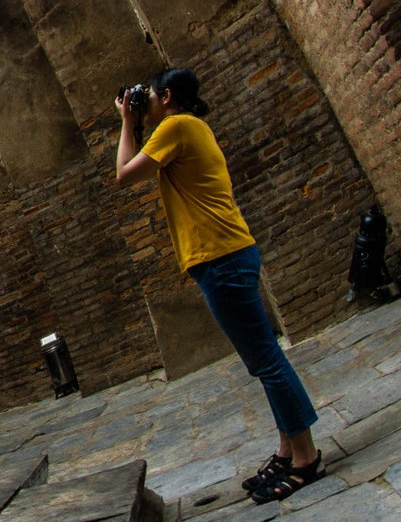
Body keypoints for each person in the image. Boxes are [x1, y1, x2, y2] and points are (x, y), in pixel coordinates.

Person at [113, 67, 323, 504]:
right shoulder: (190, 126)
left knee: (266, 359)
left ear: (167, 97)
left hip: (220, 258)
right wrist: (135, 120)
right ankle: (288, 450)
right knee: (262, 358)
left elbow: (124, 175)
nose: (144, 102)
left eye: (148, 95)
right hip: (227, 253)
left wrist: (125, 124)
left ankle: (305, 458)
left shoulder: (176, 126)